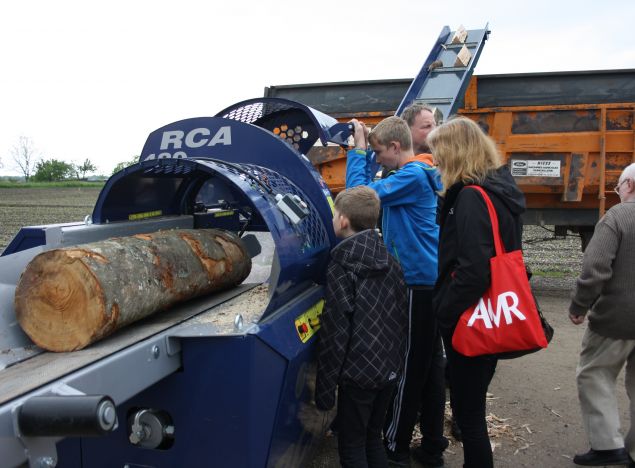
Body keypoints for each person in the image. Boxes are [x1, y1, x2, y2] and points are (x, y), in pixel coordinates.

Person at [346, 116, 448, 467]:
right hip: (429, 282)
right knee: (432, 367)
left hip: (416, 283)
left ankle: (395, 447)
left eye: (378, 152)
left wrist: (357, 151)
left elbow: (355, 201)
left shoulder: (411, 176)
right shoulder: (416, 174)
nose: (377, 159)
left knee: (405, 368)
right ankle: (433, 445)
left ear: (394, 147)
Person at [428, 116, 526, 468]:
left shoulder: (470, 197)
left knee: (469, 417)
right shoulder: (501, 191)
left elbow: (473, 270)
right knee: (473, 409)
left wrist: (444, 310)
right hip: (492, 313)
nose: (435, 160)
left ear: (455, 153)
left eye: (439, 152)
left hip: (471, 319)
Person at [315, 185, 409, 468]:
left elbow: (336, 330)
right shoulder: (391, 262)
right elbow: (401, 319)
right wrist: (396, 367)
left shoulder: (342, 265)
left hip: (358, 375)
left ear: (343, 220)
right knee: (373, 438)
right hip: (387, 370)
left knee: (352, 446)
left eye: (334, 215)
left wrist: (325, 389)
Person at [568, 163, 635, 467]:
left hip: (617, 319)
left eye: (618, 186)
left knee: (594, 373)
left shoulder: (618, 217)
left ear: (630, 184)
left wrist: (579, 306)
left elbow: (594, 269)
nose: (617, 192)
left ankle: (609, 447)